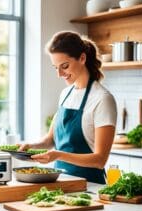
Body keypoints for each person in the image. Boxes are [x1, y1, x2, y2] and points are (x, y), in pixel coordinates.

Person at [19, 31, 117, 184]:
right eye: (55, 67)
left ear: (82, 58)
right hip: (60, 182)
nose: (59, 74)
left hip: (89, 186)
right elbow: (50, 140)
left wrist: (58, 155)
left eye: (64, 66)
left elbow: (100, 160)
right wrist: (30, 146)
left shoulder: (102, 99)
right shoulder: (65, 94)